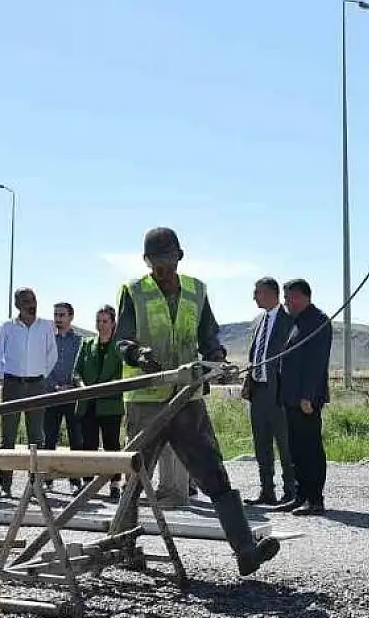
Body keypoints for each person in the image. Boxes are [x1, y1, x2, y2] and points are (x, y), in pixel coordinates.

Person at [114, 226, 281, 576]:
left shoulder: (196, 291)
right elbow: (122, 341)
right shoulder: (133, 291)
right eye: (155, 263)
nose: (162, 270)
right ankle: (123, 548)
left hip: (186, 399)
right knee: (134, 476)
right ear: (146, 261)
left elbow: (209, 336)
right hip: (146, 400)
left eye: (167, 261)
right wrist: (137, 354)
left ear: (180, 256)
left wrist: (217, 357)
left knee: (213, 471)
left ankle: (245, 550)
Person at [0, 287, 56, 496]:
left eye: (34, 299)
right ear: (17, 305)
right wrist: (9, 375)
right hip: (12, 385)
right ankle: (5, 485)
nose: (31, 304)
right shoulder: (8, 327)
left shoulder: (45, 326)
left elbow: (51, 355)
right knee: (8, 437)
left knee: (37, 436)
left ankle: (35, 485)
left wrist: (40, 375)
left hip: (37, 385)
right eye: (26, 301)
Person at [275, 279, 332, 516]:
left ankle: (315, 499)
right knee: (296, 448)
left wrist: (307, 396)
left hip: (306, 399)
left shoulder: (318, 321)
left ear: (301, 297)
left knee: (310, 448)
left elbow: (316, 363)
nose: (286, 302)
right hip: (292, 397)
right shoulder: (298, 322)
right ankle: (300, 495)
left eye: (288, 298)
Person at [242, 276, 295, 506]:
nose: (254, 297)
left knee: (285, 443)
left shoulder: (288, 321)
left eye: (258, 292)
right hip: (259, 391)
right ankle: (267, 490)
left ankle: (291, 491)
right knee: (261, 443)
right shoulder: (259, 322)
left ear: (272, 294)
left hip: (279, 393)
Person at [73, 304, 126, 499]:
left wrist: (107, 387)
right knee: (88, 443)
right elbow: (76, 372)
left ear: (113, 324)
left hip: (110, 403)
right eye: (98, 321)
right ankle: (87, 483)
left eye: (105, 321)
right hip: (88, 402)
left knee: (112, 444)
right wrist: (82, 387)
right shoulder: (86, 344)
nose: (101, 325)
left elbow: (122, 374)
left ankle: (114, 483)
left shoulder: (120, 346)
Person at [40, 302, 84, 471]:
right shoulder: (48, 341)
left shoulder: (81, 342)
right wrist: (56, 387)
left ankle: (75, 478)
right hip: (51, 395)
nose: (58, 319)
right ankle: (48, 477)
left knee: (76, 438)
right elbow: (43, 367)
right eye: (56, 315)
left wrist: (72, 386)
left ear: (71, 317)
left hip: (73, 396)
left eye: (62, 315)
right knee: (49, 438)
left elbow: (81, 367)